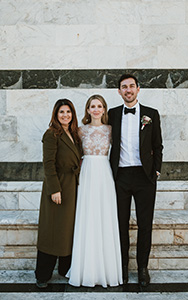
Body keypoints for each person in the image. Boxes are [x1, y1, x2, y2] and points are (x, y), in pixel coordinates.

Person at [108, 74, 163, 286]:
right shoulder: (112, 114)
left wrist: (156, 171)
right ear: (119, 91)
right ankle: (122, 267)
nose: (128, 90)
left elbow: (157, 145)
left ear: (138, 89)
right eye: (124, 87)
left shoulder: (151, 114)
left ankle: (142, 268)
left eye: (131, 86)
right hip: (120, 176)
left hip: (144, 177)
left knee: (145, 225)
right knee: (120, 225)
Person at [67, 95, 123, 288]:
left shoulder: (111, 130)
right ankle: (85, 268)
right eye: (93, 106)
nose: (96, 109)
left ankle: (107, 269)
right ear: (88, 110)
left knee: (104, 217)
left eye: (100, 106)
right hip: (87, 174)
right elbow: (73, 154)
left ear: (104, 109)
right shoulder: (80, 131)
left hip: (105, 175)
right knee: (87, 217)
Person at [35, 99, 81, 288]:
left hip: (72, 186)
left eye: (68, 112)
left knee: (67, 230)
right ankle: (42, 275)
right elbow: (48, 164)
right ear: (55, 114)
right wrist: (55, 189)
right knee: (52, 230)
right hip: (58, 187)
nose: (65, 115)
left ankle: (65, 269)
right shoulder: (51, 135)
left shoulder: (74, 134)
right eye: (61, 112)